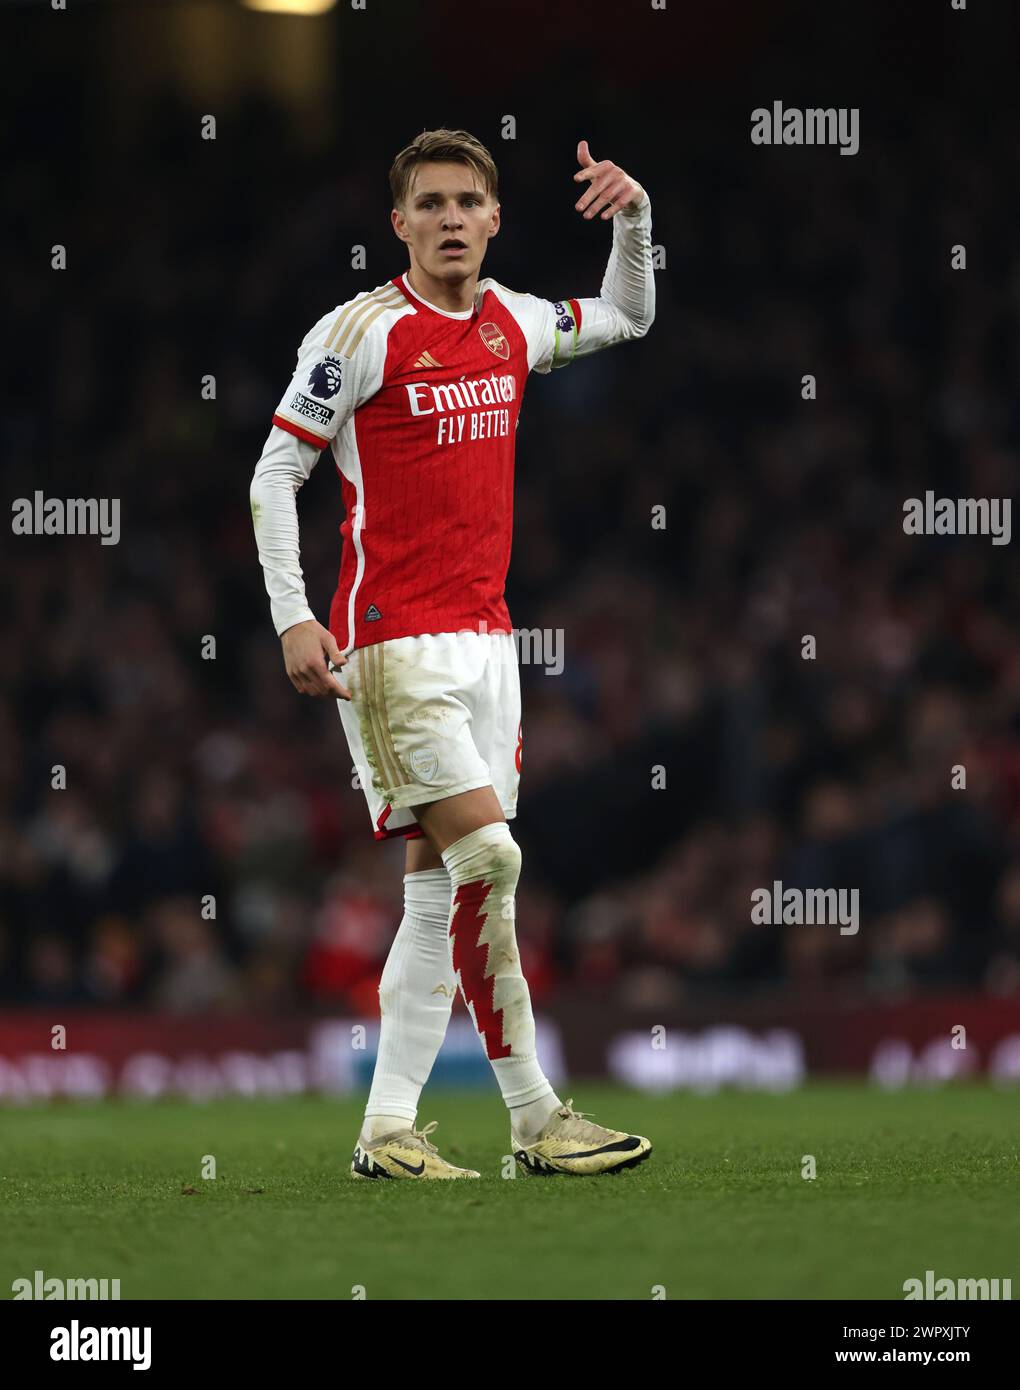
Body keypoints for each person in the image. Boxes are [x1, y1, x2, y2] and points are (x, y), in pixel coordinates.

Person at [250, 128, 654, 1178]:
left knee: (437, 896)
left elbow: (627, 315)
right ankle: (535, 1116)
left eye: (466, 201)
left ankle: (386, 1130)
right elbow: (272, 476)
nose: (449, 219)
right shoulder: (361, 333)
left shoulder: (515, 321)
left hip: (486, 649)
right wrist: (296, 614)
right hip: (393, 649)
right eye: (428, 204)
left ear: (494, 217)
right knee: (494, 859)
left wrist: (634, 222)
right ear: (400, 225)